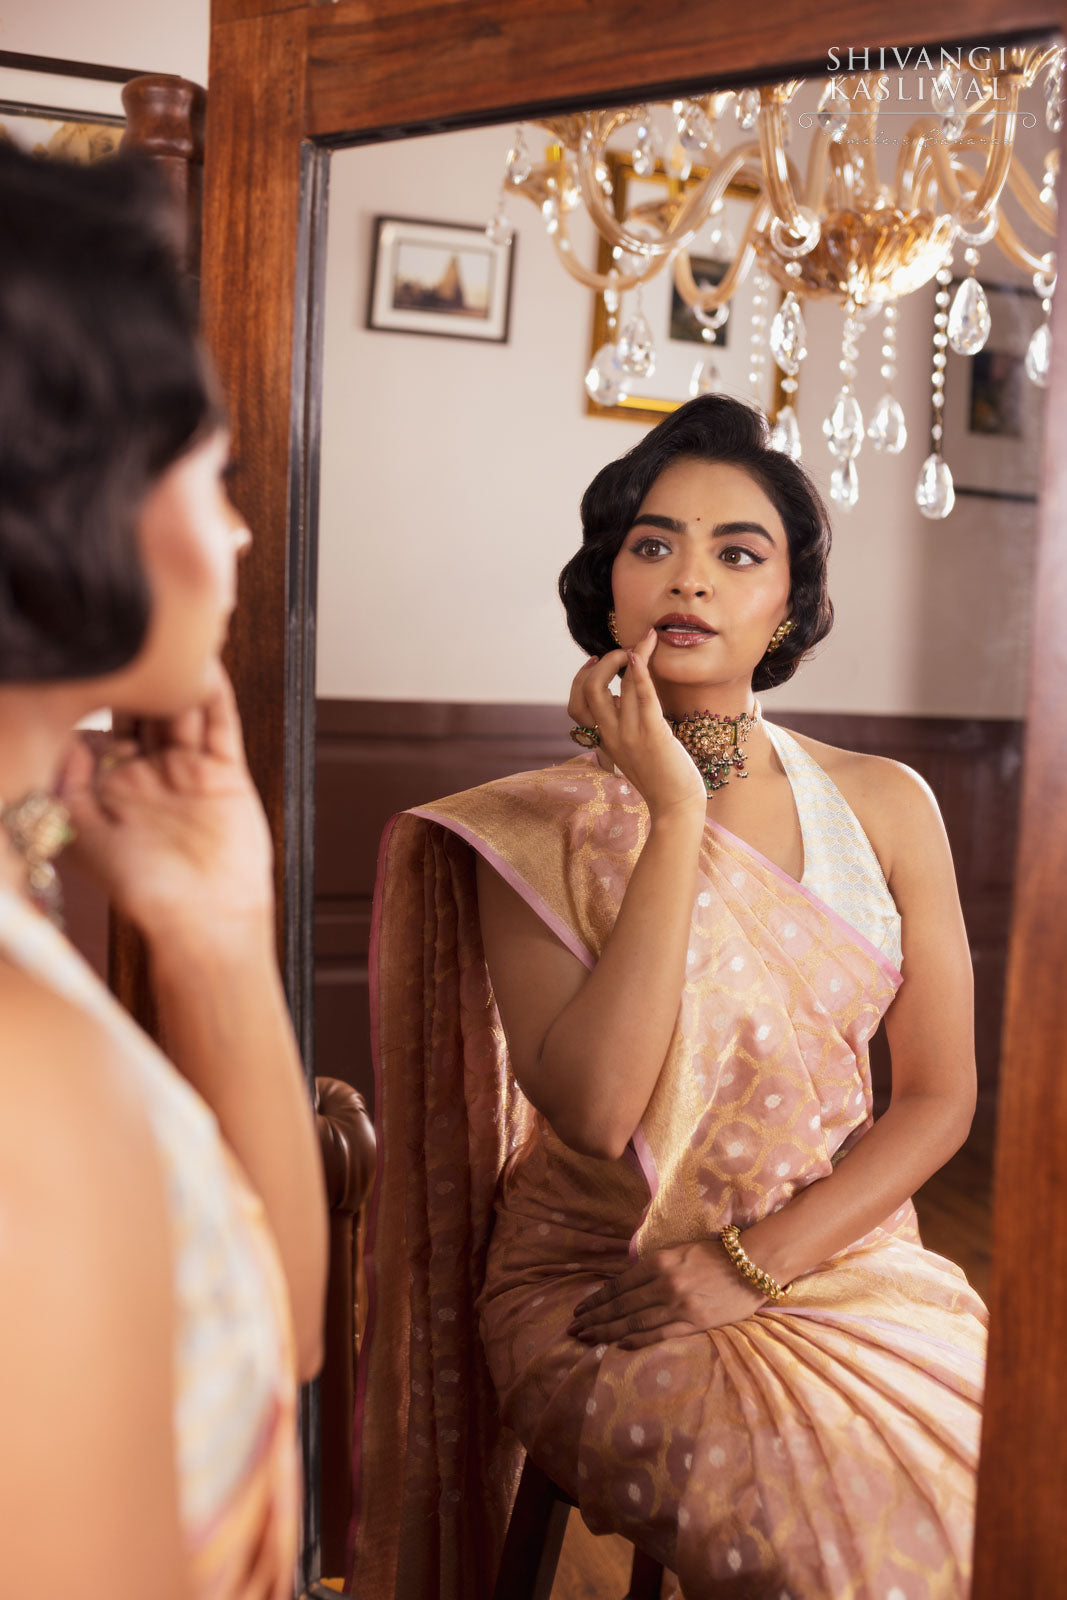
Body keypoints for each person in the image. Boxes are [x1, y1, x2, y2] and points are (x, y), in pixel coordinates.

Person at [349, 396, 986, 1600]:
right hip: (607, 1288)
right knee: (840, 1564)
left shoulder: (886, 803)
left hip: (834, 1260)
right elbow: (593, 1109)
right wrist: (673, 816)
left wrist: (750, 1263)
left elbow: (940, 1098)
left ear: (786, 608)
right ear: (608, 589)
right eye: (653, 545)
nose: (688, 577)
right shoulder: (529, 830)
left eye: (736, 552)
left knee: (1010, 1516)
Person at [0, 144, 327, 1597]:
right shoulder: (20, 1096)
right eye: (218, 467)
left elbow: (273, 1344)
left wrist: (213, 933)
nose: (243, 529)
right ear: (70, 480)